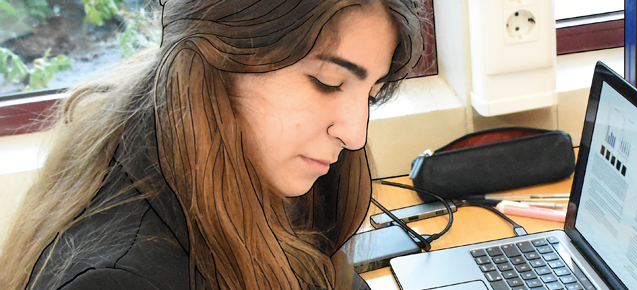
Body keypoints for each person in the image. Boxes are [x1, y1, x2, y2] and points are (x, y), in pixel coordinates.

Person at [0, 0, 424, 289]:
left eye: (370, 95)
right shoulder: (118, 279)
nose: (354, 135)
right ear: (213, 63)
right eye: (327, 83)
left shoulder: (270, 175)